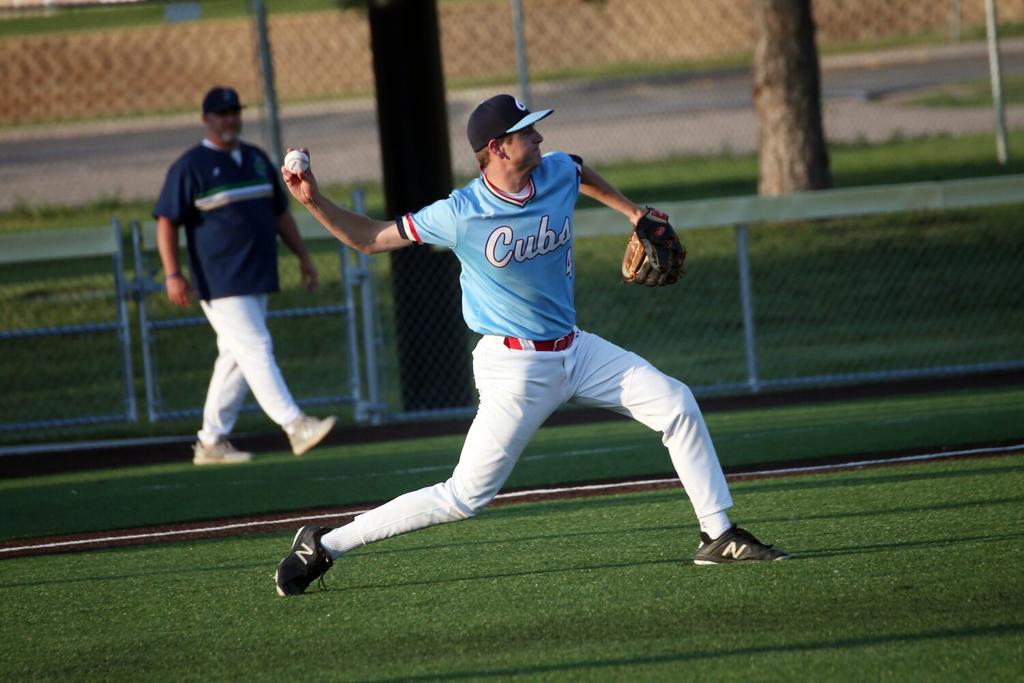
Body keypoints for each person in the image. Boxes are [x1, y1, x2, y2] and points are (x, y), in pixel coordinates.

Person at [274, 94, 788, 596]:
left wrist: (632, 213)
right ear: (497, 147)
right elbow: (368, 238)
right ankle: (325, 544)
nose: (539, 136)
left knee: (675, 402)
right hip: (513, 367)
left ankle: (717, 534)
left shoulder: (556, 171)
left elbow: (579, 169)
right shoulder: (461, 212)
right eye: (527, 131)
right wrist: (312, 200)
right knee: (464, 497)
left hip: (577, 351)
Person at [154, 86, 337, 466]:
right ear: (206, 119)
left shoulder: (255, 159)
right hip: (220, 279)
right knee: (255, 346)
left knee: (235, 357)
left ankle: (210, 441)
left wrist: (303, 256)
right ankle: (295, 424)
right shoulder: (191, 166)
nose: (230, 119)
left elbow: (280, 215)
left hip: (256, 275)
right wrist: (173, 274)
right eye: (222, 113)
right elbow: (167, 221)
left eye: (234, 111)